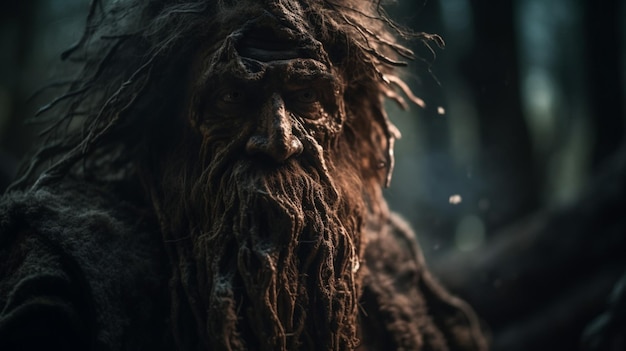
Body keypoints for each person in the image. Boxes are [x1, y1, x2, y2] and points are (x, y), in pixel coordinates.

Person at [0, 0, 487, 350]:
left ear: (346, 119)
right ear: (170, 127)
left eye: (304, 96)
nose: (279, 140)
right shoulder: (79, 273)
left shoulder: (387, 284)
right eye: (234, 99)